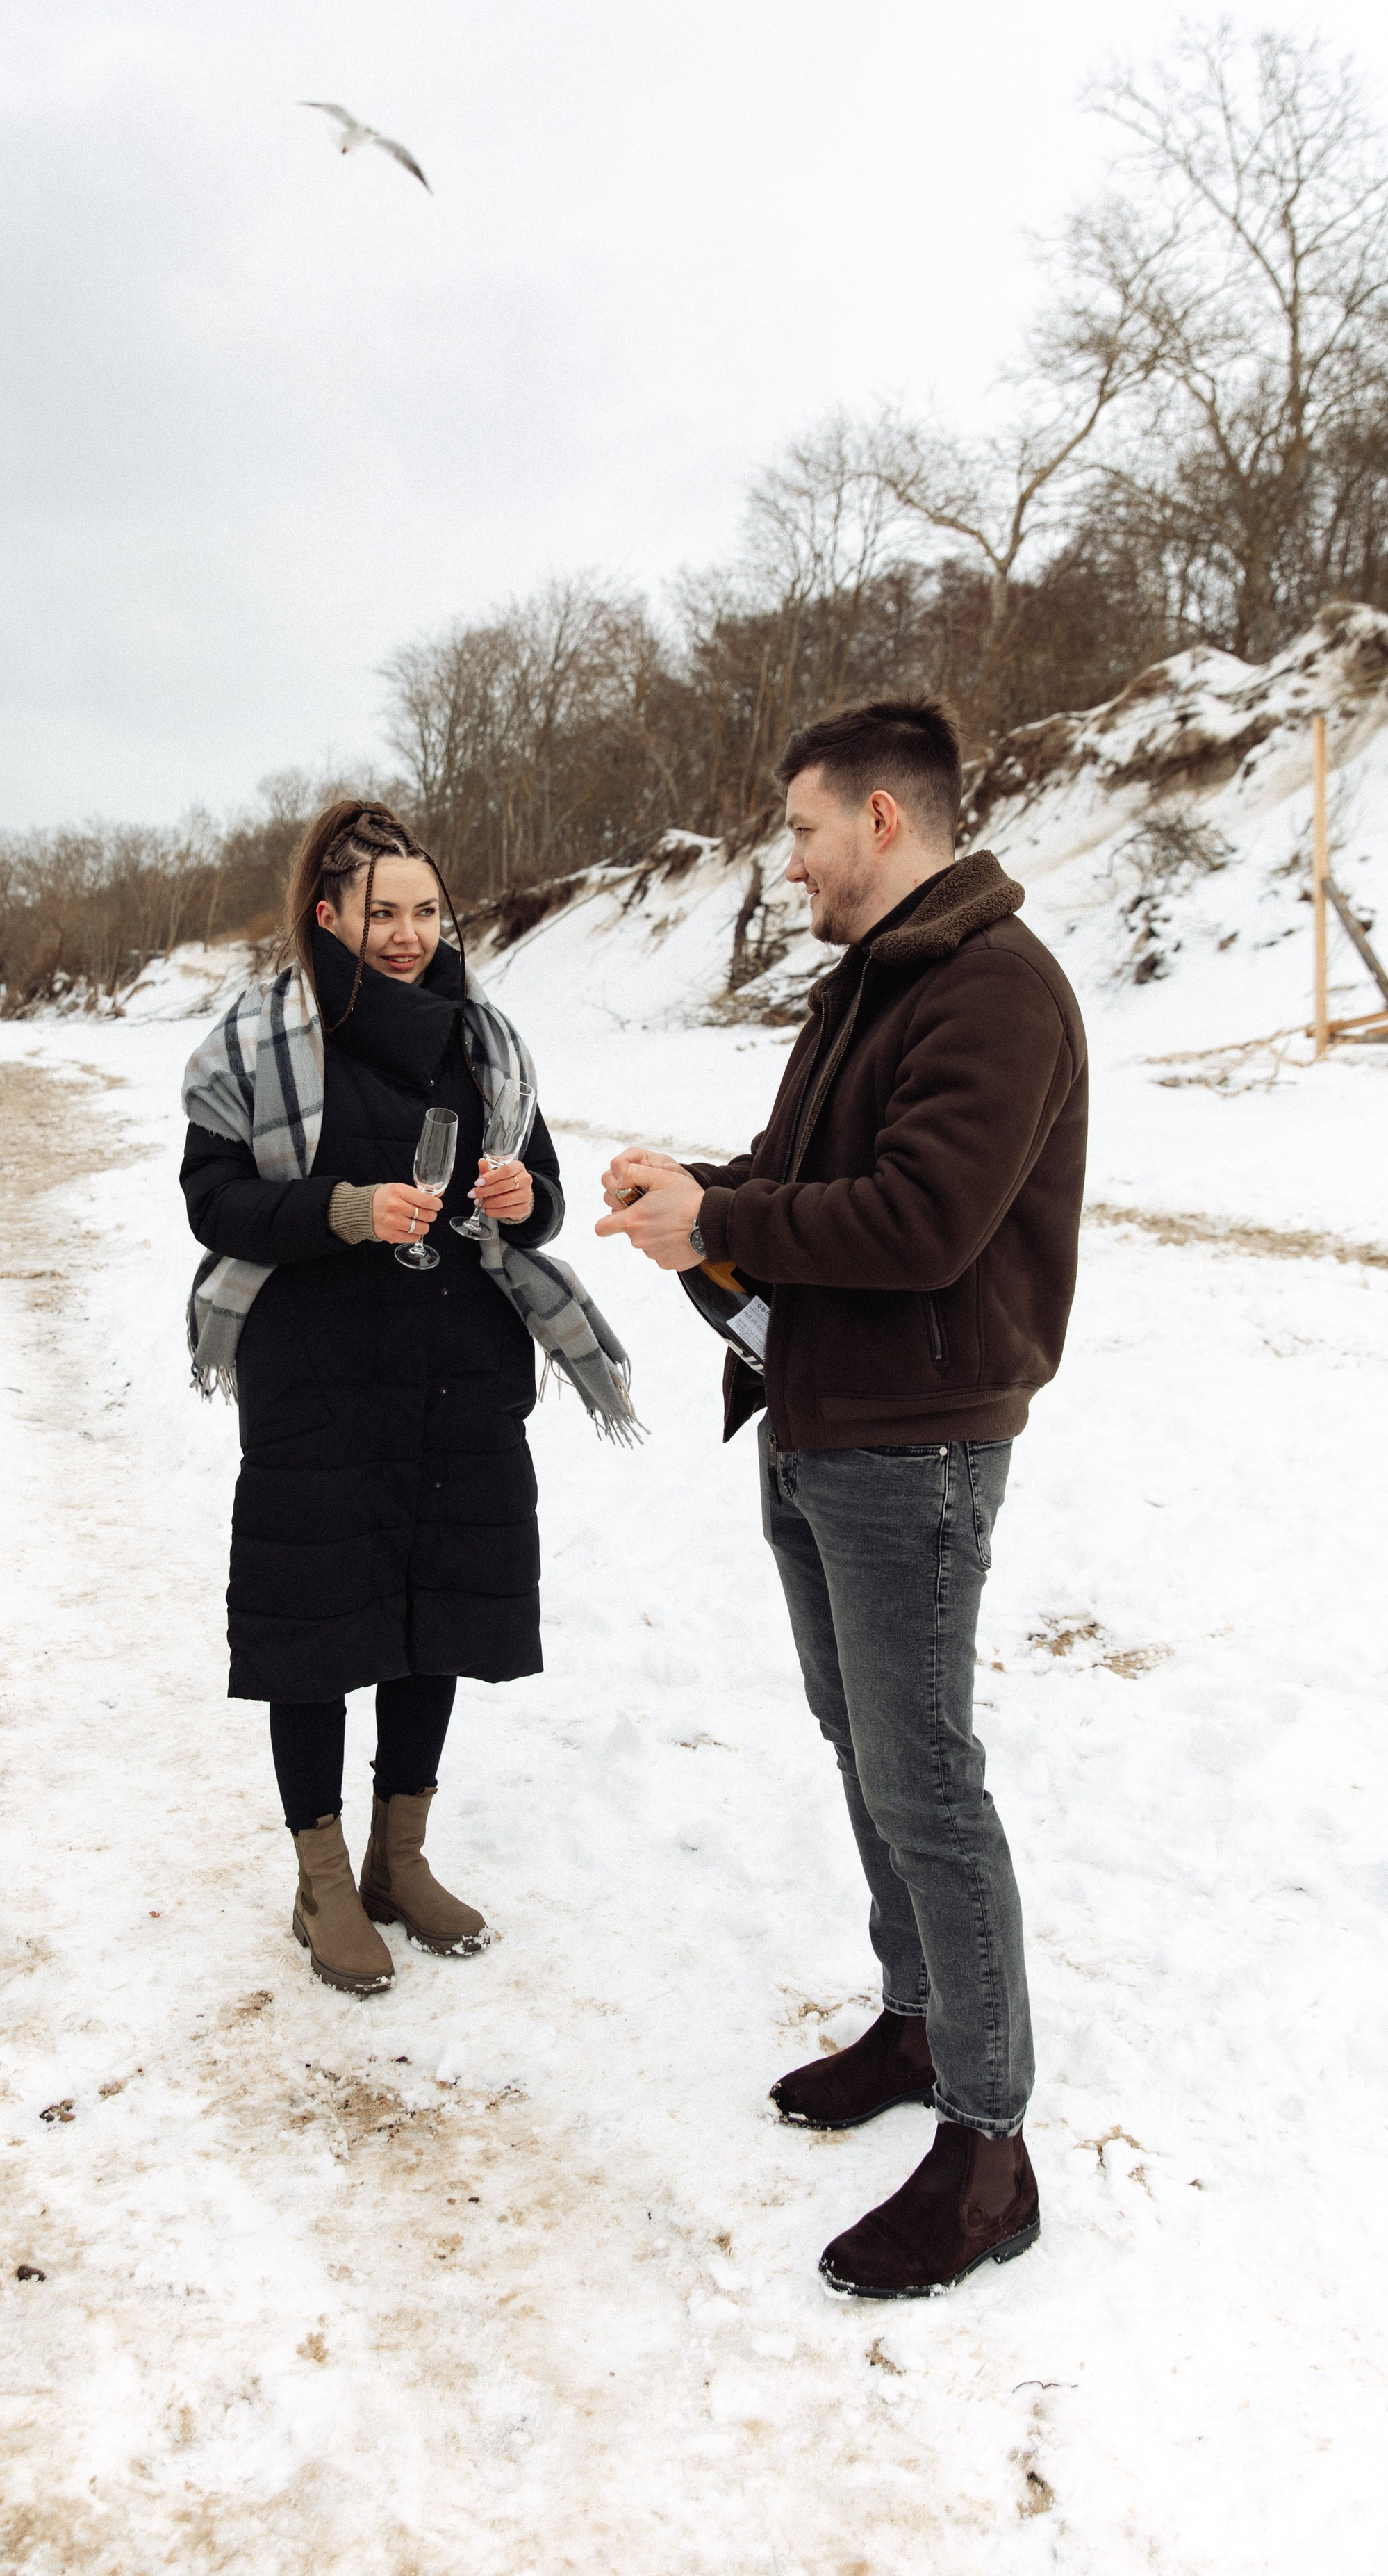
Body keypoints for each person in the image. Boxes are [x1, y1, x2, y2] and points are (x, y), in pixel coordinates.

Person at [595, 698, 1087, 2300]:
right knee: (860, 1746)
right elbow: (796, 1176)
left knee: (925, 1777)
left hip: (915, 1442)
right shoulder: (866, 987)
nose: (786, 859)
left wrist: (728, 1209)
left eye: (801, 829)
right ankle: (918, 2018)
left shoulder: (992, 989)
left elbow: (922, 1220)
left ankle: (986, 2148)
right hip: (821, 1423)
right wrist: (694, 1202)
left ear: (882, 820)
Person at [181, 800, 636, 1996]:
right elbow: (213, 1204)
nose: (408, 934)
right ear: (327, 915)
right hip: (316, 1369)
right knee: (315, 1627)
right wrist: (342, 1209)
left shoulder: (484, 1038)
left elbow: (540, 1190)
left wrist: (521, 1197)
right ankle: (323, 1882)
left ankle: (402, 1857)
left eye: (426, 911)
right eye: (383, 912)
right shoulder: (259, 1036)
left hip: (456, 1363)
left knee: (437, 1608)